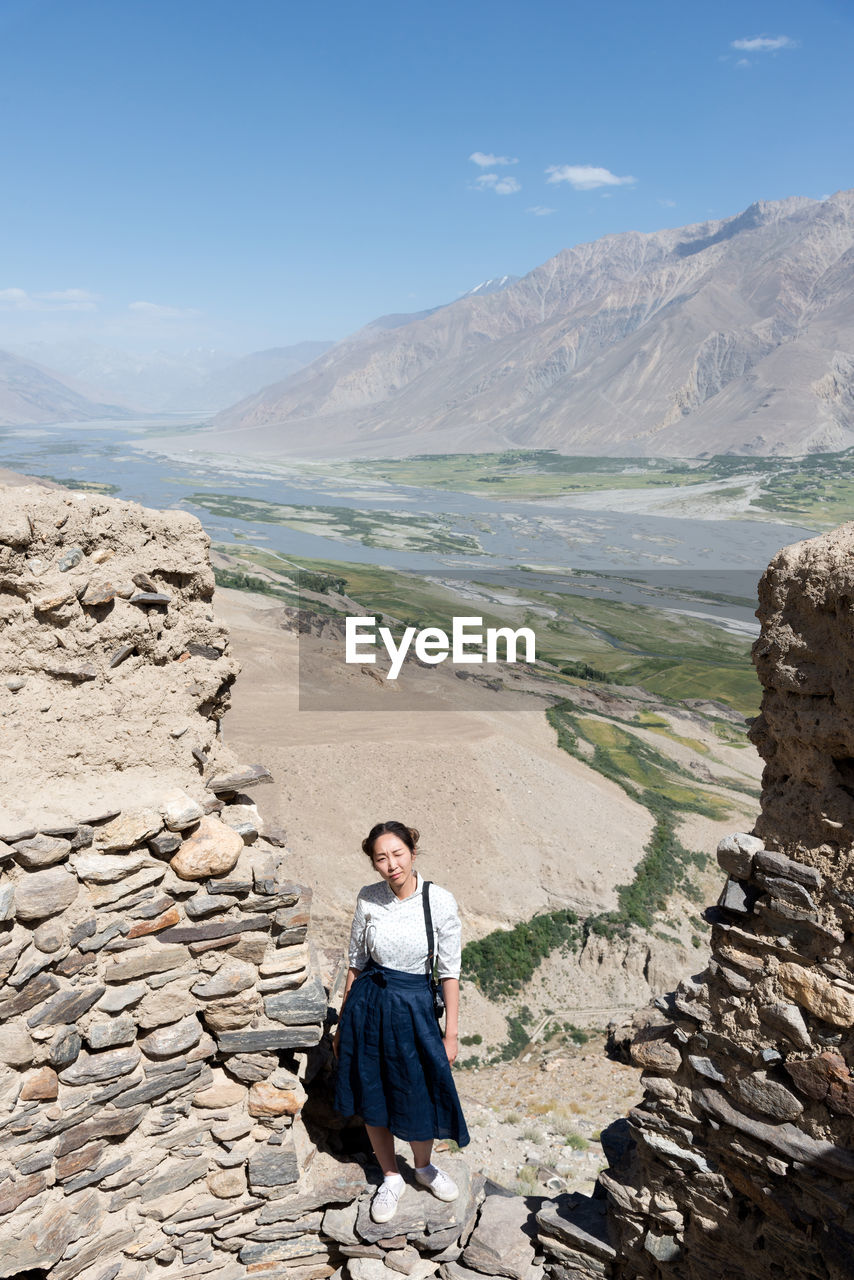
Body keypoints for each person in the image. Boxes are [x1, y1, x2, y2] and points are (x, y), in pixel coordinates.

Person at [333, 820, 470, 1224]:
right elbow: (355, 962)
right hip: (368, 1005)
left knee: (418, 1090)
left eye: (397, 854)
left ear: (412, 851)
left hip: (413, 1009)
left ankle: (424, 1167)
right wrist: (343, 1022)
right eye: (381, 858)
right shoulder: (368, 899)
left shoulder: (438, 901)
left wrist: (452, 1033)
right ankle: (391, 1176)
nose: (391, 864)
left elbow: (449, 972)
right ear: (373, 863)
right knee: (373, 1092)